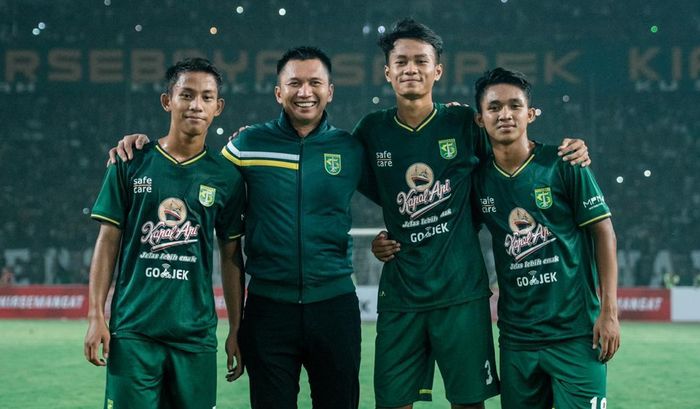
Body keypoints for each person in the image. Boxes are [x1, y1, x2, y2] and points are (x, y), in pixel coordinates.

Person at [108, 47, 368, 409]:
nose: (304, 92)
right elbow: (196, 165)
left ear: (330, 90)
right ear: (279, 92)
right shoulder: (247, 145)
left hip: (334, 304)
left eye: (314, 83)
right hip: (269, 308)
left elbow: (395, 188)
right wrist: (138, 145)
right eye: (294, 83)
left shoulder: (351, 148)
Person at [358, 19, 590, 409]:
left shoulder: (464, 123)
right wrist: (388, 234)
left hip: (461, 292)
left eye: (421, 61)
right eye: (401, 61)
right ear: (387, 71)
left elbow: (514, 152)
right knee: (392, 403)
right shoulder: (370, 131)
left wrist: (571, 150)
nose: (411, 69)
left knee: (469, 402)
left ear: (438, 70)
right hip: (402, 293)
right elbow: (370, 186)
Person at [84, 58, 246, 409]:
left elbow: (232, 255)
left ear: (218, 107)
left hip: (196, 336)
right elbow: (107, 241)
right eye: (186, 94)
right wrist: (96, 314)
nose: (195, 105)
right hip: (133, 333)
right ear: (167, 100)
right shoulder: (130, 161)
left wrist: (236, 327)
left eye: (206, 97)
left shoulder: (227, 177)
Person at [471, 68, 619, 409]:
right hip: (517, 339)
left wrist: (609, 312)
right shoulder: (478, 181)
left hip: (577, 335)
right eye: (494, 108)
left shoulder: (565, 163)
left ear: (531, 114)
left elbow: (604, 231)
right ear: (480, 119)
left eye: (515, 105)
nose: (505, 114)